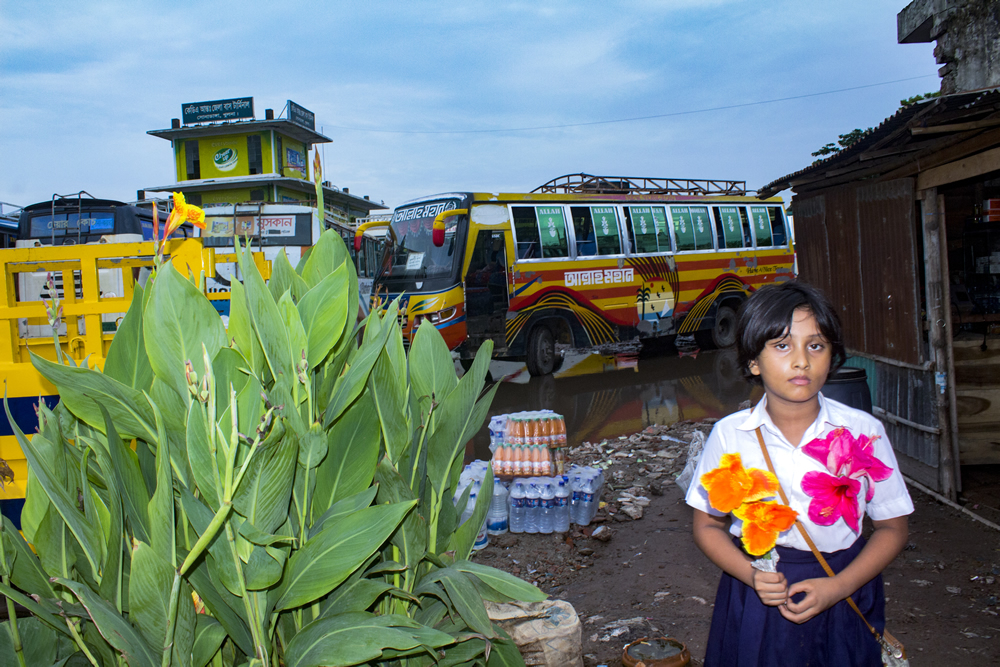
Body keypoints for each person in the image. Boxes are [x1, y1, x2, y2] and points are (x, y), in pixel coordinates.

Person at [685, 281, 913, 666]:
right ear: (753, 361)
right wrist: (750, 575)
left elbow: (894, 528)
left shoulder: (862, 433)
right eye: (782, 345)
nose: (802, 361)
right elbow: (706, 525)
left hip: (844, 585)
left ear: (832, 355)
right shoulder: (730, 435)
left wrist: (839, 587)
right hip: (759, 592)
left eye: (816, 345)